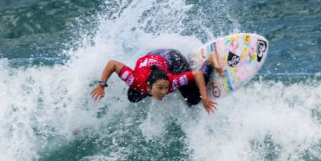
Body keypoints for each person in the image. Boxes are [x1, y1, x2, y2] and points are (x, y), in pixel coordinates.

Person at [91, 49, 224, 114]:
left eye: (165, 88)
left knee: (193, 99)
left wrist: (204, 97)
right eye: (160, 88)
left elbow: (198, 74)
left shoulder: (172, 82)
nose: (164, 92)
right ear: (148, 85)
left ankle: (210, 61)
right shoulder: (135, 81)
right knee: (132, 97)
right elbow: (112, 64)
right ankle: (188, 64)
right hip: (155, 57)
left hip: (173, 58)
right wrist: (101, 85)